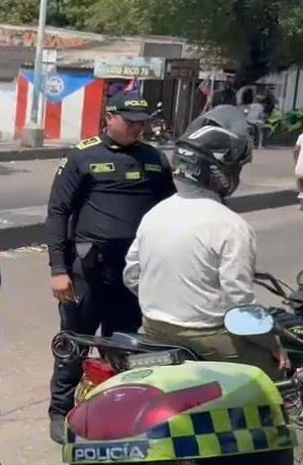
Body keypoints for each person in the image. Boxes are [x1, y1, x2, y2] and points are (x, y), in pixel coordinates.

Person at [44, 91, 176, 443]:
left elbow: (171, 211)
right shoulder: (82, 156)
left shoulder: (155, 159)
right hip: (88, 269)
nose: (137, 129)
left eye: (142, 123)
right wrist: (58, 268)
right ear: (109, 118)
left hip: (132, 273)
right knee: (74, 342)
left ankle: (119, 410)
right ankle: (60, 411)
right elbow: (58, 212)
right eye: (130, 122)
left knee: (127, 346)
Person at [124, 105, 283, 377]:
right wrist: (273, 343)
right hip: (208, 338)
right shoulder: (231, 226)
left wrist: (168, 303)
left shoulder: (155, 214)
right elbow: (239, 302)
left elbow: (132, 276)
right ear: (221, 173)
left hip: (153, 330)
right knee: (283, 375)